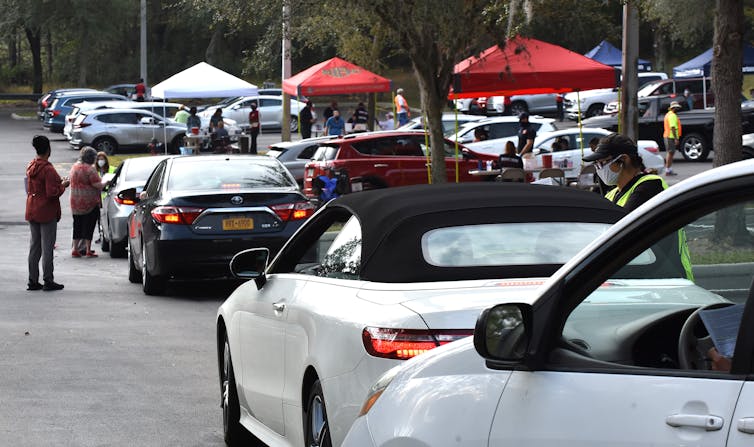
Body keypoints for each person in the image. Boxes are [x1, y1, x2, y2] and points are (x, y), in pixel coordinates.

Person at [582, 132, 693, 279]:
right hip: (640, 277)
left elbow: (620, 230)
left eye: (602, 163)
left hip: (667, 279)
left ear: (623, 160)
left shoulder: (649, 186)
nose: (599, 169)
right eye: (596, 165)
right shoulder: (612, 194)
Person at [25, 135, 69, 291]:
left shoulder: (31, 166)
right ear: (48, 150)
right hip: (46, 211)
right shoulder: (48, 169)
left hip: (32, 208)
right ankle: (48, 279)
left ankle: (32, 280)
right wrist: (63, 185)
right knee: (47, 247)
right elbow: (52, 193)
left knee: (34, 247)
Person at [69, 147, 107, 258]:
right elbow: (97, 185)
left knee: (77, 225)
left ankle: (75, 249)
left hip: (75, 202)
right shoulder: (90, 170)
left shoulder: (74, 167)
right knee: (88, 226)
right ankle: (87, 250)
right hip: (89, 203)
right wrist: (107, 182)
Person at [663, 101, 682, 176]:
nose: (678, 109)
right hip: (670, 137)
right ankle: (667, 169)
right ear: (674, 108)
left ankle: (669, 169)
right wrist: (676, 138)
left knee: (670, 153)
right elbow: (673, 127)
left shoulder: (668, 115)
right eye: (677, 108)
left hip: (668, 136)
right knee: (670, 153)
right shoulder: (672, 116)